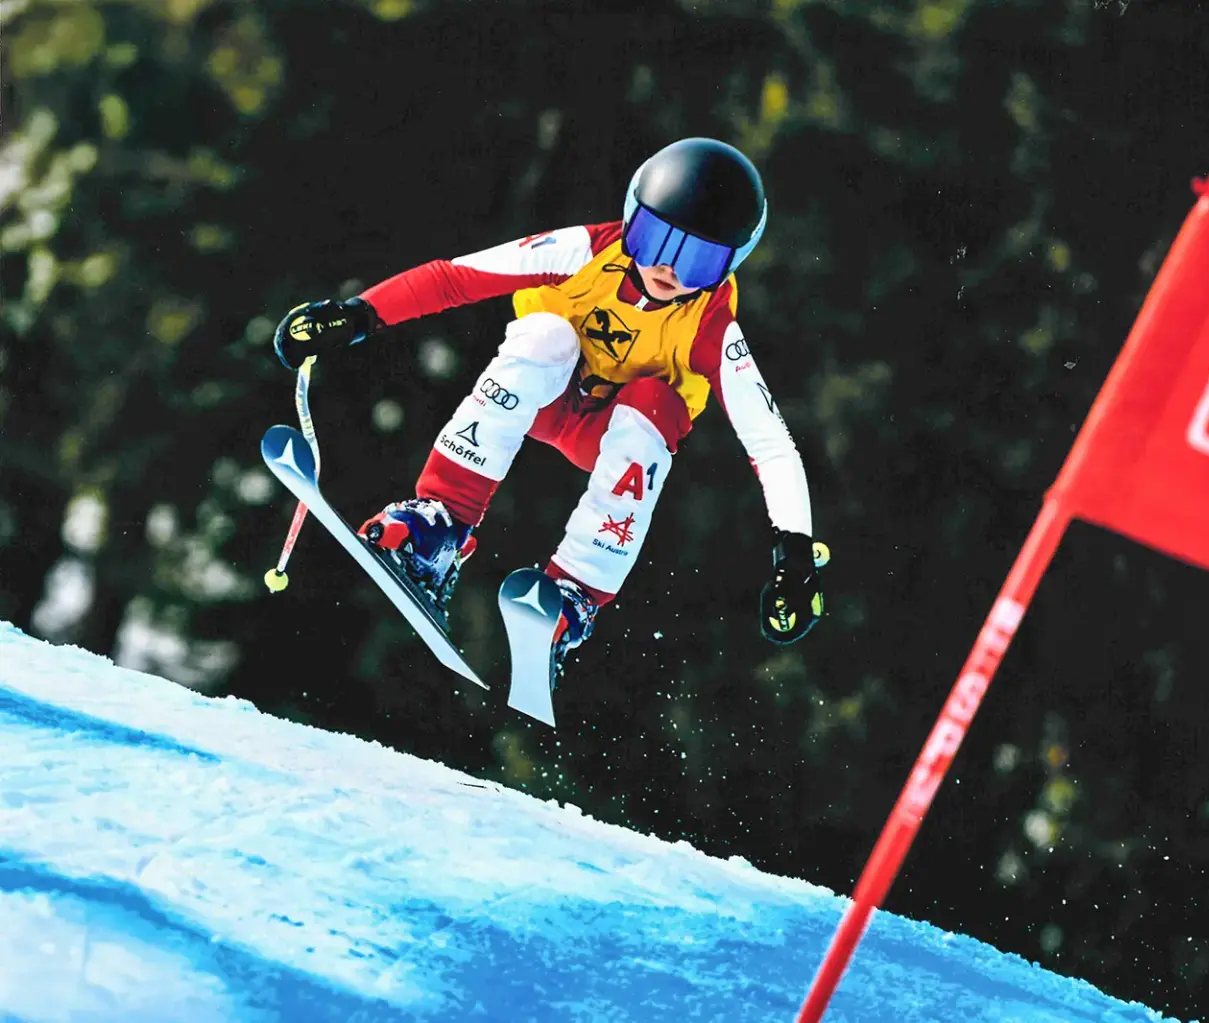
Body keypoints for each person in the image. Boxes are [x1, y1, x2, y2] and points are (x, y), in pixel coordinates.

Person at [271, 137, 825, 676]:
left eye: (699, 260)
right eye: (657, 239)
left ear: (730, 264)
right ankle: (442, 521)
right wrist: (357, 316)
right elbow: (456, 278)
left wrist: (794, 555)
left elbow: (771, 445)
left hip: (615, 437)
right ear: (633, 217)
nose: (669, 271)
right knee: (542, 334)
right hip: (545, 394)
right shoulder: (586, 251)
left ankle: (574, 597)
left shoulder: (711, 327)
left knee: (654, 400)